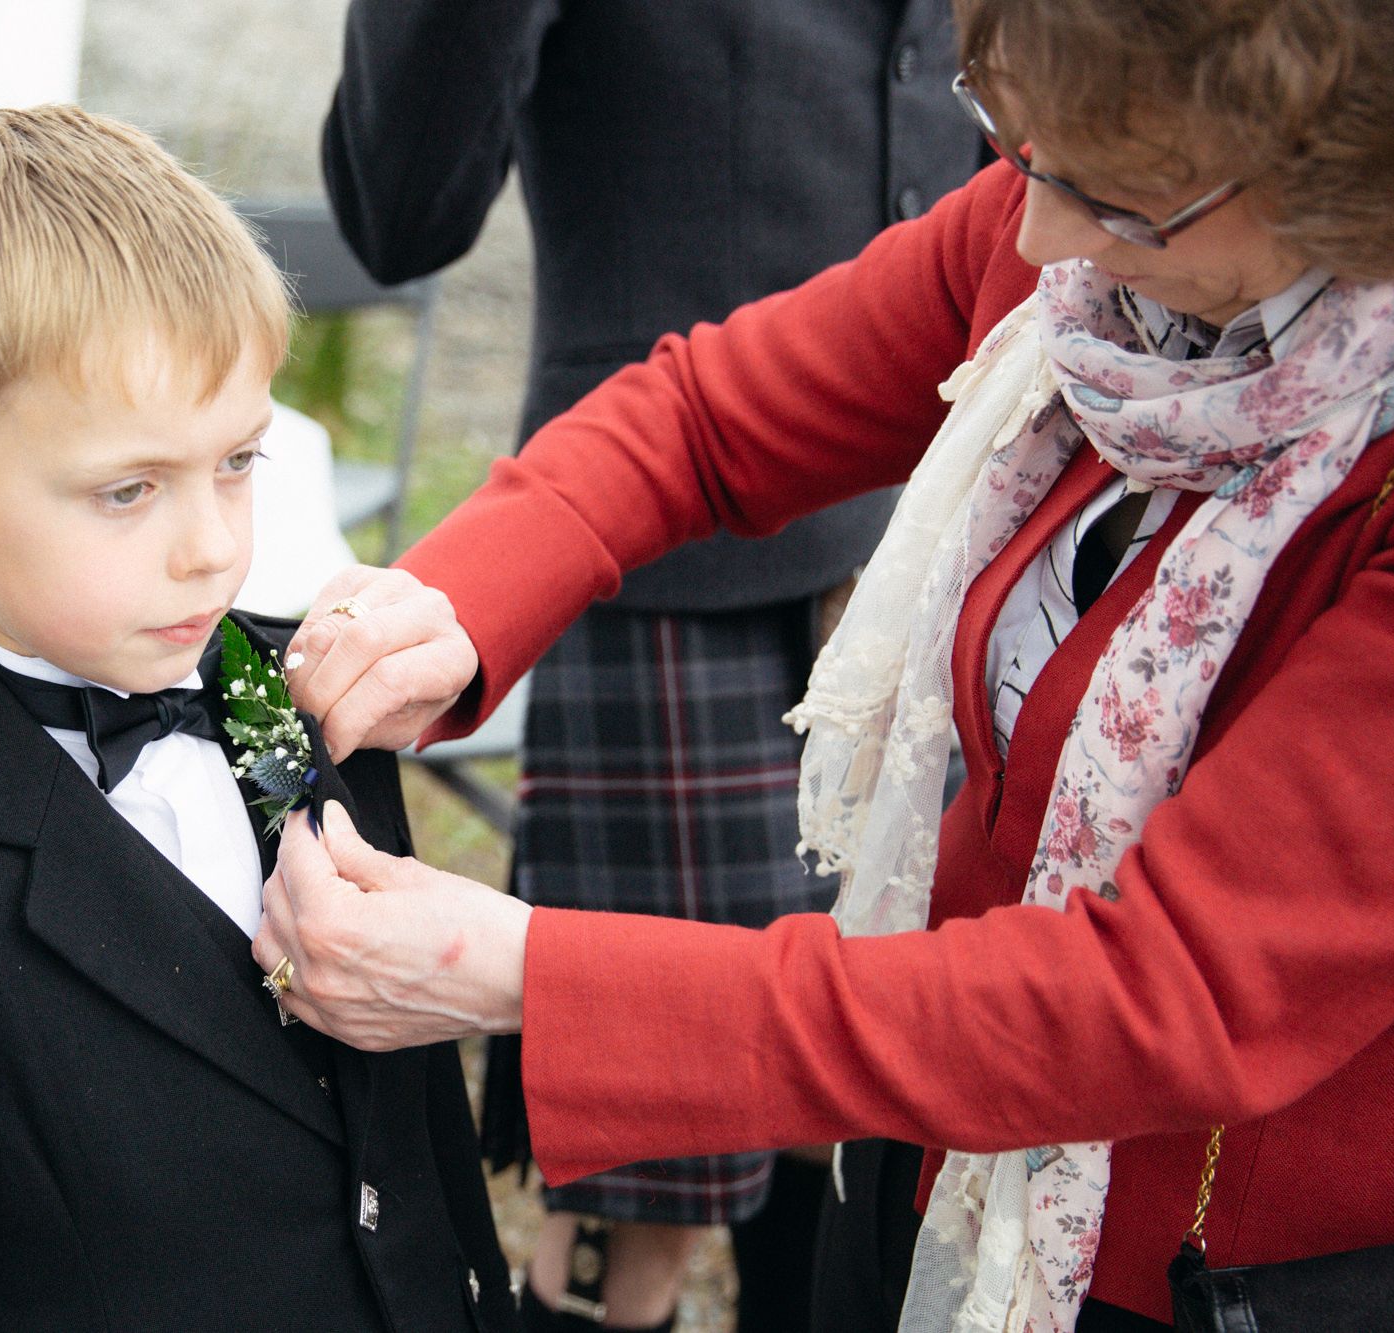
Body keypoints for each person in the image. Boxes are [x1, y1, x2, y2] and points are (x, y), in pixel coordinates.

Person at [258, 1, 1394, 1328]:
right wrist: (459, 601)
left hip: (1206, 1279)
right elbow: (713, 416)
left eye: (1127, 198)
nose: (1037, 232)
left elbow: (1157, 996)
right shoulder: (1082, 243)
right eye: (1016, 138)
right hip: (926, 1158)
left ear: (1354, 184)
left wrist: (533, 973)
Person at [0, 105, 515, 1332]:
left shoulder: (304, 693)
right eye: (128, 489)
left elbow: (409, 1142)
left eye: (237, 462)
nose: (212, 550)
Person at [321, 5, 982, 1328]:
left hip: (955, 530)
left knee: (881, 1136)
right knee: (644, 1197)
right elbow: (401, 210)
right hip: (661, 555)